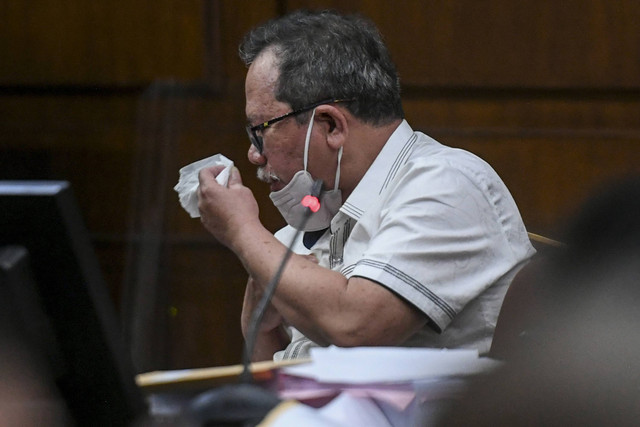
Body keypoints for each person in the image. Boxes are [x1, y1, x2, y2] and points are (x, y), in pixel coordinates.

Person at [197, 9, 535, 362]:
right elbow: (266, 391)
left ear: (330, 125)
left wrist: (240, 230)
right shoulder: (297, 235)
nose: (253, 155)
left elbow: (356, 327)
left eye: (260, 130)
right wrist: (262, 328)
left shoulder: (447, 183)